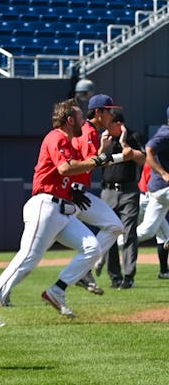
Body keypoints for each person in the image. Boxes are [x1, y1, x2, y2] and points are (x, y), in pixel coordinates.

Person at [0, 99, 114, 328]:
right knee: (28, 259)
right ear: (70, 120)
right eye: (80, 117)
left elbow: (78, 168)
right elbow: (65, 168)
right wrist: (97, 159)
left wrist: (99, 156)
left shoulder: (68, 142)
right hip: (45, 205)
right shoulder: (56, 136)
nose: (83, 121)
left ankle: (57, 290)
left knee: (92, 247)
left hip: (62, 211)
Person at [71, 94, 126, 295]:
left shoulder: (90, 130)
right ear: (98, 112)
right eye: (109, 110)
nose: (112, 114)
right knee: (34, 250)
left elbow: (89, 161)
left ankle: (84, 271)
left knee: (114, 226)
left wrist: (105, 151)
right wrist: (117, 155)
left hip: (76, 193)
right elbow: (87, 164)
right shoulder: (89, 131)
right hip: (71, 195)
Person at [95, 111, 145, 289]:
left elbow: (143, 159)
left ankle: (128, 276)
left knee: (129, 233)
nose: (108, 127)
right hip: (108, 191)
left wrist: (124, 143)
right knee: (110, 233)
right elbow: (93, 161)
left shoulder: (133, 136)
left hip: (129, 191)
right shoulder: (105, 139)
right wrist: (103, 147)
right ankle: (114, 276)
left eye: (111, 124)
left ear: (120, 124)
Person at [135, 105, 169, 282]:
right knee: (162, 234)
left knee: (146, 231)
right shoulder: (165, 134)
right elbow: (149, 149)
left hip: (155, 192)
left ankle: (114, 242)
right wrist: (164, 173)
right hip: (159, 189)